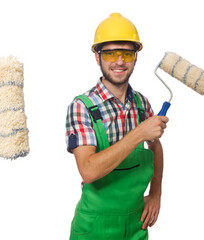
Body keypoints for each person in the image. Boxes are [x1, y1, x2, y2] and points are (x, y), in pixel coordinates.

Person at [66, 13, 167, 239]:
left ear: (136, 57)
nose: (119, 61)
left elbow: (156, 147)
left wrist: (156, 193)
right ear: (97, 57)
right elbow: (89, 170)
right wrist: (140, 132)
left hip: (136, 225)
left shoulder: (142, 104)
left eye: (127, 53)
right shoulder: (82, 107)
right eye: (111, 53)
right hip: (94, 227)